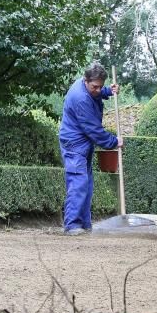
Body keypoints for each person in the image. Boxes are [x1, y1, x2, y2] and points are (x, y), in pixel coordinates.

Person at [58, 62, 123, 235]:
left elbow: (96, 93)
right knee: (78, 182)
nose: (97, 90)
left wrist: (108, 91)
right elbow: (93, 129)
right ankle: (72, 225)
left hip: (82, 141)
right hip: (74, 144)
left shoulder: (88, 87)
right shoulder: (80, 98)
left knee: (86, 183)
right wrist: (114, 141)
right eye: (95, 86)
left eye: (100, 86)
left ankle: (84, 224)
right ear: (86, 80)